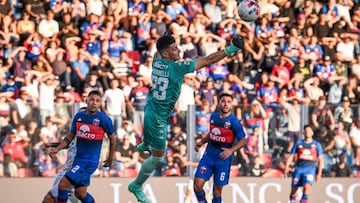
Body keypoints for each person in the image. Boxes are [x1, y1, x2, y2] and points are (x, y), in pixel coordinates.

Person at [128, 32, 244, 203]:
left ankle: (145, 142)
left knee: (151, 142)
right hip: (158, 119)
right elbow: (207, 60)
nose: (179, 50)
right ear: (166, 54)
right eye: (174, 49)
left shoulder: (157, 60)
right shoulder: (177, 67)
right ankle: (137, 185)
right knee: (158, 157)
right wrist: (231, 48)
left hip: (150, 108)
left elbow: (157, 51)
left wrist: (164, 39)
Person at [49, 91, 116, 203]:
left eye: (97, 101)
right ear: (86, 101)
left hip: (89, 162)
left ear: (100, 104)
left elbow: (113, 139)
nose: (94, 103)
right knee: (80, 193)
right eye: (92, 100)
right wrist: (57, 149)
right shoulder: (79, 116)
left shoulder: (104, 119)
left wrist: (110, 158)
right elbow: (69, 137)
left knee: (62, 184)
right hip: (78, 160)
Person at [192, 92, 246, 203]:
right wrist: (202, 142)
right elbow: (212, 134)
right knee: (197, 185)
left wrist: (231, 150)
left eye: (229, 102)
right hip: (208, 157)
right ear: (219, 103)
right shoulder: (214, 117)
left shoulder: (234, 122)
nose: (226, 104)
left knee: (217, 191)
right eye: (223, 101)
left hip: (222, 160)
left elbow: (243, 140)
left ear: (232, 105)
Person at [42, 107, 87, 203]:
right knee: (57, 198)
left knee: (50, 198)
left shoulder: (88, 135)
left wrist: (75, 167)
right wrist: (53, 146)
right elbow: (68, 144)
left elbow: (89, 154)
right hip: (65, 169)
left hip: (73, 171)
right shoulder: (75, 133)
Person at [285, 125, 323, 203]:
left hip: (310, 169)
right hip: (299, 169)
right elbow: (291, 156)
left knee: (306, 189)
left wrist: (319, 173)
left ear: (312, 133)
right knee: (294, 191)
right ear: (303, 132)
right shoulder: (299, 143)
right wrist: (286, 167)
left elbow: (320, 160)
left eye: (309, 131)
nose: (307, 132)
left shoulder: (316, 145)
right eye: (306, 131)